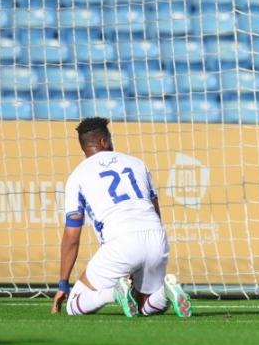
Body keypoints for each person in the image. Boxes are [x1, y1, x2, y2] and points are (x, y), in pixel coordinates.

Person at [50, 117, 191, 318]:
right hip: (156, 237)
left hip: (121, 242)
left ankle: (113, 293)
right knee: (145, 306)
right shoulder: (137, 163)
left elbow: (72, 236)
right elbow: (155, 210)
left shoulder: (77, 176)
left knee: (74, 304)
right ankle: (165, 293)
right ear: (103, 142)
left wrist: (63, 283)